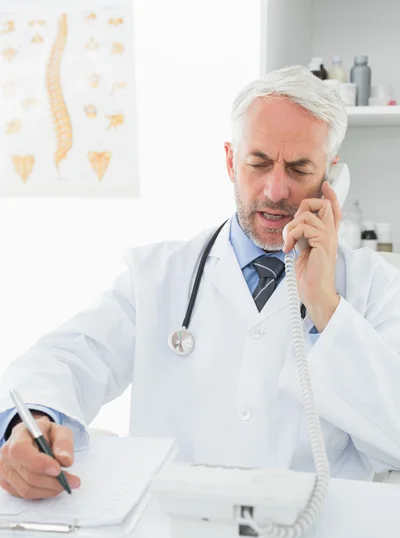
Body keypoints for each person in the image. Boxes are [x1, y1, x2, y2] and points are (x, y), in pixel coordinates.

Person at [1, 65, 400, 501]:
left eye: (300, 168)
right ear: (230, 161)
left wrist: (326, 306)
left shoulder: (374, 287)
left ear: (331, 174)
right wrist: (30, 421)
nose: (276, 189)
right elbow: (68, 356)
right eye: (258, 163)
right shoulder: (156, 274)